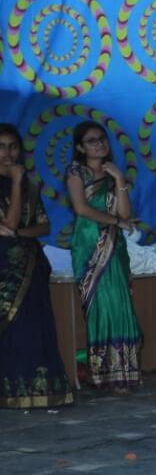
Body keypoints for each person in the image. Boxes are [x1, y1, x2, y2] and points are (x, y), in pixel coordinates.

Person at [0, 124, 73, 408]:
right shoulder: (22, 184)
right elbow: (11, 222)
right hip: (5, 267)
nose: (8, 153)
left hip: (30, 265)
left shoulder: (30, 186)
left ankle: (38, 391)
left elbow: (42, 224)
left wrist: (17, 235)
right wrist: (16, 183)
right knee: (14, 329)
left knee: (34, 327)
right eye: (1, 146)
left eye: (13, 146)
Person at [66, 121, 142, 391]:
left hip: (115, 246)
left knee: (121, 303)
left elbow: (125, 214)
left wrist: (120, 179)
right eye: (91, 141)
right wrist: (116, 222)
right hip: (89, 246)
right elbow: (81, 209)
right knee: (101, 307)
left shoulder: (113, 174)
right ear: (80, 147)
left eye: (102, 139)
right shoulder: (77, 172)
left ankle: (123, 373)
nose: (99, 144)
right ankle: (102, 374)